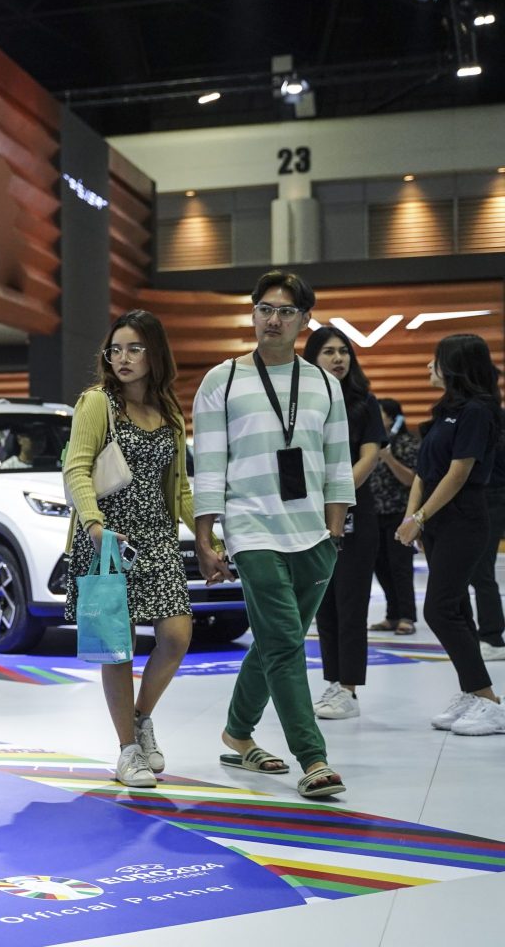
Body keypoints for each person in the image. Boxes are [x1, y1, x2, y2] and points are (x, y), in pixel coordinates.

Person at [192, 270, 354, 800]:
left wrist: (334, 532)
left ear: (304, 320)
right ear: (253, 313)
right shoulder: (222, 380)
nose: (273, 320)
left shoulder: (325, 384)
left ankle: (237, 733)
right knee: (285, 642)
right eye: (265, 309)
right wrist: (206, 537)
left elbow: (337, 463)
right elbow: (209, 464)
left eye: (285, 311)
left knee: (274, 640)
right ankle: (313, 758)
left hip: (313, 536)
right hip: (251, 528)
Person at [64, 309, 203, 789]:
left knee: (177, 637)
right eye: (115, 350)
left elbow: (179, 488)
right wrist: (95, 525)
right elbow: (76, 468)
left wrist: (207, 539)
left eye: (135, 349)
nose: (122, 358)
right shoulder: (97, 403)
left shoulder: (169, 411)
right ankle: (127, 750)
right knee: (116, 646)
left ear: (155, 353)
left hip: (158, 537)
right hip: (107, 539)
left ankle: (140, 719)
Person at [395, 334, 505, 734]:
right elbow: (424, 473)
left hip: (464, 519)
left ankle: (489, 700)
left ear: (457, 366)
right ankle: (473, 693)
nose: (429, 366)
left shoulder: (478, 411)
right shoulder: (446, 411)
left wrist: (421, 517)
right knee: (455, 607)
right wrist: (413, 518)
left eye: (436, 360)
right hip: (437, 522)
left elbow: (459, 474)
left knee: (439, 609)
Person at [303, 327, 384, 720]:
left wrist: (335, 494)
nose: (338, 358)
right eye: (328, 352)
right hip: (309, 517)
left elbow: (370, 456)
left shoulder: (364, 403)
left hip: (354, 514)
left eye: (344, 351)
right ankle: (334, 681)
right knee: (324, 605)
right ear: (312, 358)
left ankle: (349, 688)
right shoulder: (301, 403)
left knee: (351, 603)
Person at [368, 398, 420, 636]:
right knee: (380, 566)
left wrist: (388, 458)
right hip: (374, 513)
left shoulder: (406, 443)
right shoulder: (371, 443)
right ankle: (392, 615)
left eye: (379, 413)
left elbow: (411, 480)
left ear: (392, 417)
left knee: (400, 567)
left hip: (399, 513)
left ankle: (407, 617)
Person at [468, 404, 505, 662]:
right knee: (479, 571)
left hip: (491, 496)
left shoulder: (482, 413)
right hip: (483, 496)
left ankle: (492, 637)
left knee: (481, 571)